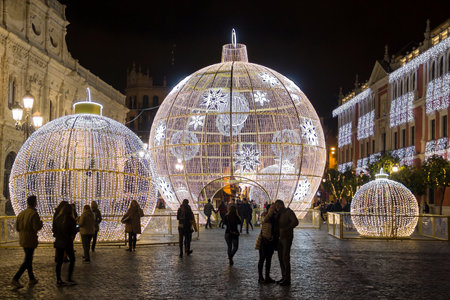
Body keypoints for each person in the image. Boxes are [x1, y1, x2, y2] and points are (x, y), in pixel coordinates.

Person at [11, 195, 43, 288]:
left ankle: (32, 278)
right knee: (27, 260)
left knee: (29, 259)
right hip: (30, 239)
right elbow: (36, 227)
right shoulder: (33, 214)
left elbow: (17, 227)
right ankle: (16, 278)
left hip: (23, 239)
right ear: (34, 203)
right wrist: (41, 223)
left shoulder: (21, 213)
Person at [274, 199, 299, 286]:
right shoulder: (279, 213)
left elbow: (295, 222)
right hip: (279, 238)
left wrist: (287, 229)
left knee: (285, 257)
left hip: (286, 238)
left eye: (278, 206)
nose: (277, 208)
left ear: (281, 205)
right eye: (276, 206)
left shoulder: (289, 212)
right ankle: (283, 276)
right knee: (280, 257)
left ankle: (287, 279)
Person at [53, 204, 77, 286]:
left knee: (59, 262)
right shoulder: (71, 219)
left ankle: (58, 279)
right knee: (72, 260)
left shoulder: (57, 218)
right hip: (67, 242)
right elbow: (74, 230)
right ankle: (69, 278)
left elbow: (54, 229)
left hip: (59, 242)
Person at [257, 204, 276, 283]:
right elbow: (265, 221)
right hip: (264, 241)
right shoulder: (266, 216)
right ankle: (260, 277)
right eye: (272, 208)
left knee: (269, 260)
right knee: (262, 259)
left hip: (270, 241)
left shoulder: (274, 217)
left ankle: (267, 276)